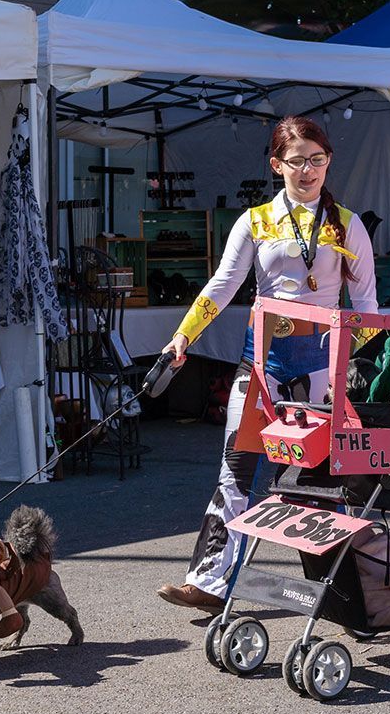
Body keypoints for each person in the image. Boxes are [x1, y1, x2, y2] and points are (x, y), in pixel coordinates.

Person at [155, 116, 377, 613]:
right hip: (260, 365)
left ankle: (344, 595)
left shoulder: (348, 222)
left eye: (317, 160)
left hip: (322, 371)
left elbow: (367, 306)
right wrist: (182, 336)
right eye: (296, 161)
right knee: (235, 471)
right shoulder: (253, 221)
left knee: (324, 483)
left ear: (328, 161)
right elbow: (221, 286)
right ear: (276, 165)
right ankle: (210, 582)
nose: (308, 170)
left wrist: (352, 363)